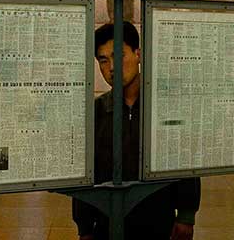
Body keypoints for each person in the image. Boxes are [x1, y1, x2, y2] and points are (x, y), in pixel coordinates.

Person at [72, 22, 201, 240]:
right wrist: (84, 227)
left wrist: (186, 216)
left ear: (138, 54)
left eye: (119, 56)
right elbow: (85, 174)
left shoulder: (164, 106)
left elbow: (185, 158)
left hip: (160, 220)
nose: (112, 67)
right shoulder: (96, 111)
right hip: (107, 223)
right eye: (103, 60)